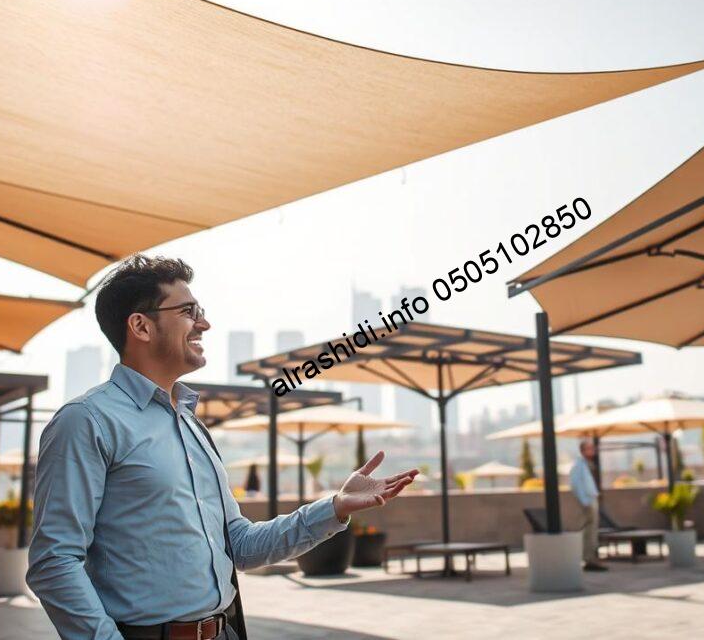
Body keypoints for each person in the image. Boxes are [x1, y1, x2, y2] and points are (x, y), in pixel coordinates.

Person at [27, 256, 417, 640]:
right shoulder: (87, 421)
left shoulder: (192, 426)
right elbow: (54, 562)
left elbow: (241, 546)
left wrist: (335, 507)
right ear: (141, 326)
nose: (204, 323)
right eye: (188, 311)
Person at [569, 440, 607, 572]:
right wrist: (585, 501)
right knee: (589, 531)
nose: (593, 450)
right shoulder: (579, 466)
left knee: (592, 531)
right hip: (587, 502)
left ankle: (592, 558)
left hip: (591, 500)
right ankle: (589, 559)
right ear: (583, 450)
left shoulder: (587, 465)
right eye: (589, 448)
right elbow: (576, 484)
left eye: (593, 448)